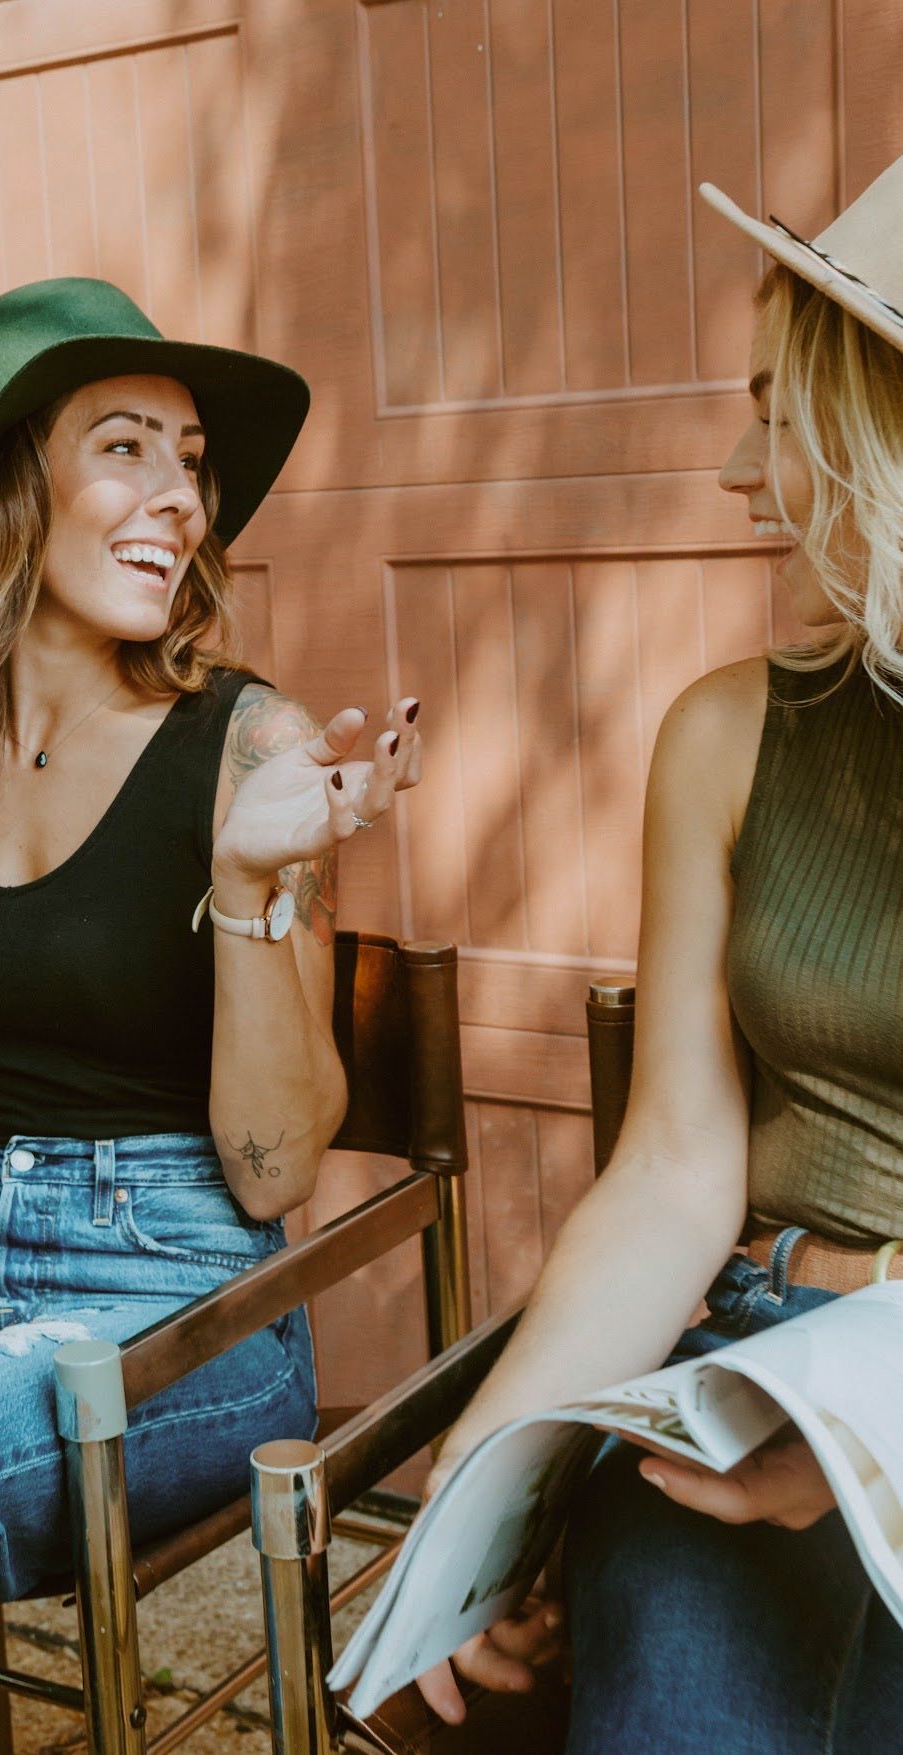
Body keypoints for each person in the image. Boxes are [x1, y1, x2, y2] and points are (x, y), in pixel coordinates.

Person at [0, 277, 422, 1752]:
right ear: (3, 489)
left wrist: (250, 881)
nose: (179, 497)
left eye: (190, 461)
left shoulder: (248, 744)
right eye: (125, 447)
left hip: (177, 1298)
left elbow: (274, 1171)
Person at [417, 161, 903, 1751]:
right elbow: (675, 1169)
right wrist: (482, 1475)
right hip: (761, 1353)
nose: (730, 465)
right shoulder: (728, 734)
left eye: (779, 411)